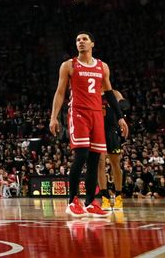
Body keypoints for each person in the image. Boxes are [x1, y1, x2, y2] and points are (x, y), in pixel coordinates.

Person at [49, 32, 129, 218]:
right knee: (82, 154)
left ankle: (91, 202)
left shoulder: (102, 66)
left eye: (84, 39)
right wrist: (54, 117)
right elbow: (60, 92)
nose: (81, 42)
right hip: (78, 113)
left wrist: (120, 117)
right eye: (77, 39)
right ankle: (72, 201)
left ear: (92, 43)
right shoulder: (68, 65)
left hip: (96, 115)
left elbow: (109, 94)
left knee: (95, 159)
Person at [98, 89, 129, 211]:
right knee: (100, 163)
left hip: (112, 130)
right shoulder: (93, 93)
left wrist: (120, 104)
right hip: (98, 130)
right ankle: (105, 197)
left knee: (115, 163)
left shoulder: (113, 93)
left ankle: (118, 196)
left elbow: (125, 105)